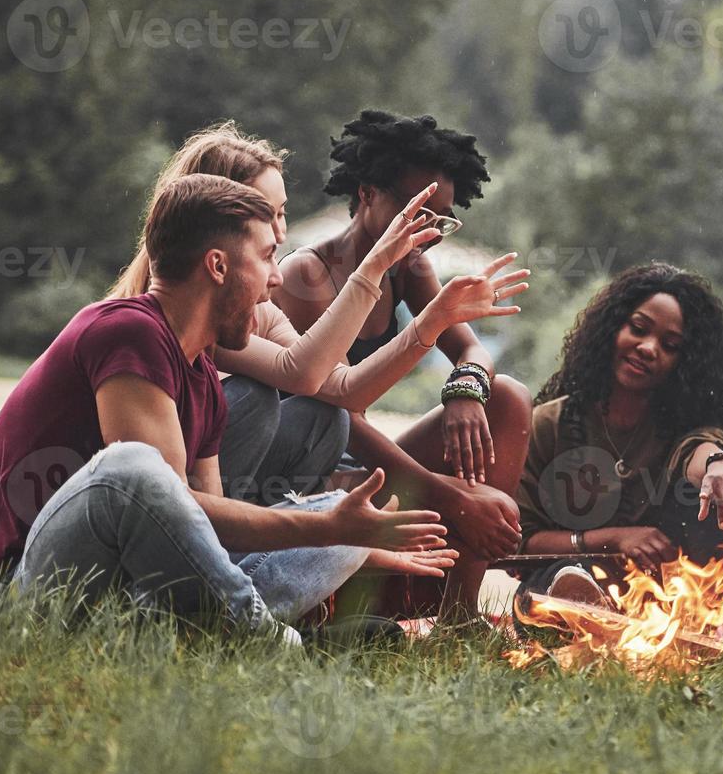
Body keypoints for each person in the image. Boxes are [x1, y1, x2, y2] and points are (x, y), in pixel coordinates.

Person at [0, 175, 454, 639]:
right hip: (19, 597)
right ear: (217, 265)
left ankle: (200, 636)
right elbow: (163, 500)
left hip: (119, 593)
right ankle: (272, 644)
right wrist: (327, 532)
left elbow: (208, 534)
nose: (276, 280)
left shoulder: (202, 375)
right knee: (136, 469)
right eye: (268, 257)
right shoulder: (129, 331)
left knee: (330, 513)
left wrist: (353, 539)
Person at [109, 123, 528, 509]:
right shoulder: (184, 315)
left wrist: (458, 372)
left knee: (502, 400)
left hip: (267, 468)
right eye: (265, 215)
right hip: (249, 480)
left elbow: (337, 388)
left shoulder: (264, 311)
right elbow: (335, 406)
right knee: (278, 407)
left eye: (281, 212)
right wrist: (436, 491)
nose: (279, 233)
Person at [276, 110, 532, 623]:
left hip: (364, 461)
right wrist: (447, 493)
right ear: (368, 194)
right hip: (302, 471)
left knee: (508, 398)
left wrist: (466, 390)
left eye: (442, 218)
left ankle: (461, 616)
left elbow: (474, 351)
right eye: (419, 213)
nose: (431, 232)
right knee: (452, 488)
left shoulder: (410, 268)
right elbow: (332, 414)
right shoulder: (306, 275)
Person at [515, 264, 723, 637]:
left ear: (684, 364)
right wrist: (616, 537)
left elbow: (699, 448)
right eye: (638, 328)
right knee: (560, 580)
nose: (648, 348)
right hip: (565, 583)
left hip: (659, 594)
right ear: (611, 329)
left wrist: (718, 463)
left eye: (670, 346)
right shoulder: (549, 424)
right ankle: (594, 618)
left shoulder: (681, 428)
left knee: (708, 501)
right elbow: (518, 543)